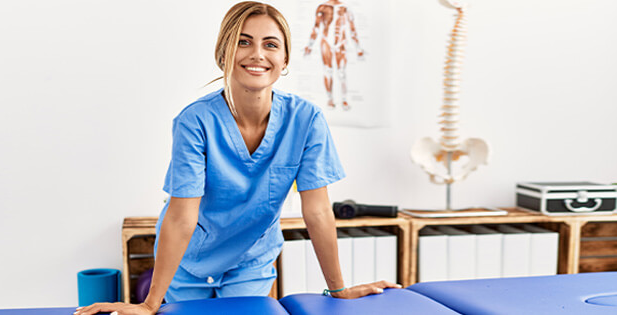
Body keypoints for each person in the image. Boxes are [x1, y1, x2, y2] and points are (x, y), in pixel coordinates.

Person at [73, 2, 398, 315]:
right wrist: (149, 303)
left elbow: (317, 210)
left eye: (270, 44)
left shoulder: (306, 120)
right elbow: (181, 216)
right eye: (244, 42)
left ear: (284, 60)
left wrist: (338, 290)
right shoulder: (195, 122)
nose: (257, 53)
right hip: (188, 262)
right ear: (223, 54)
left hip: (251, 261)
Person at [304, 0, 364, 110]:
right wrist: (310, 45)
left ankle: (344, 100)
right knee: (328, 71)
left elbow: (352, 29)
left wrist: (358, 48)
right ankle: (330, 99)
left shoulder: (346, 8)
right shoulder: (322, 7)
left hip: (341, 42)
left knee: (341, 72)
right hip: (326, 42)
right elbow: (316, 27)